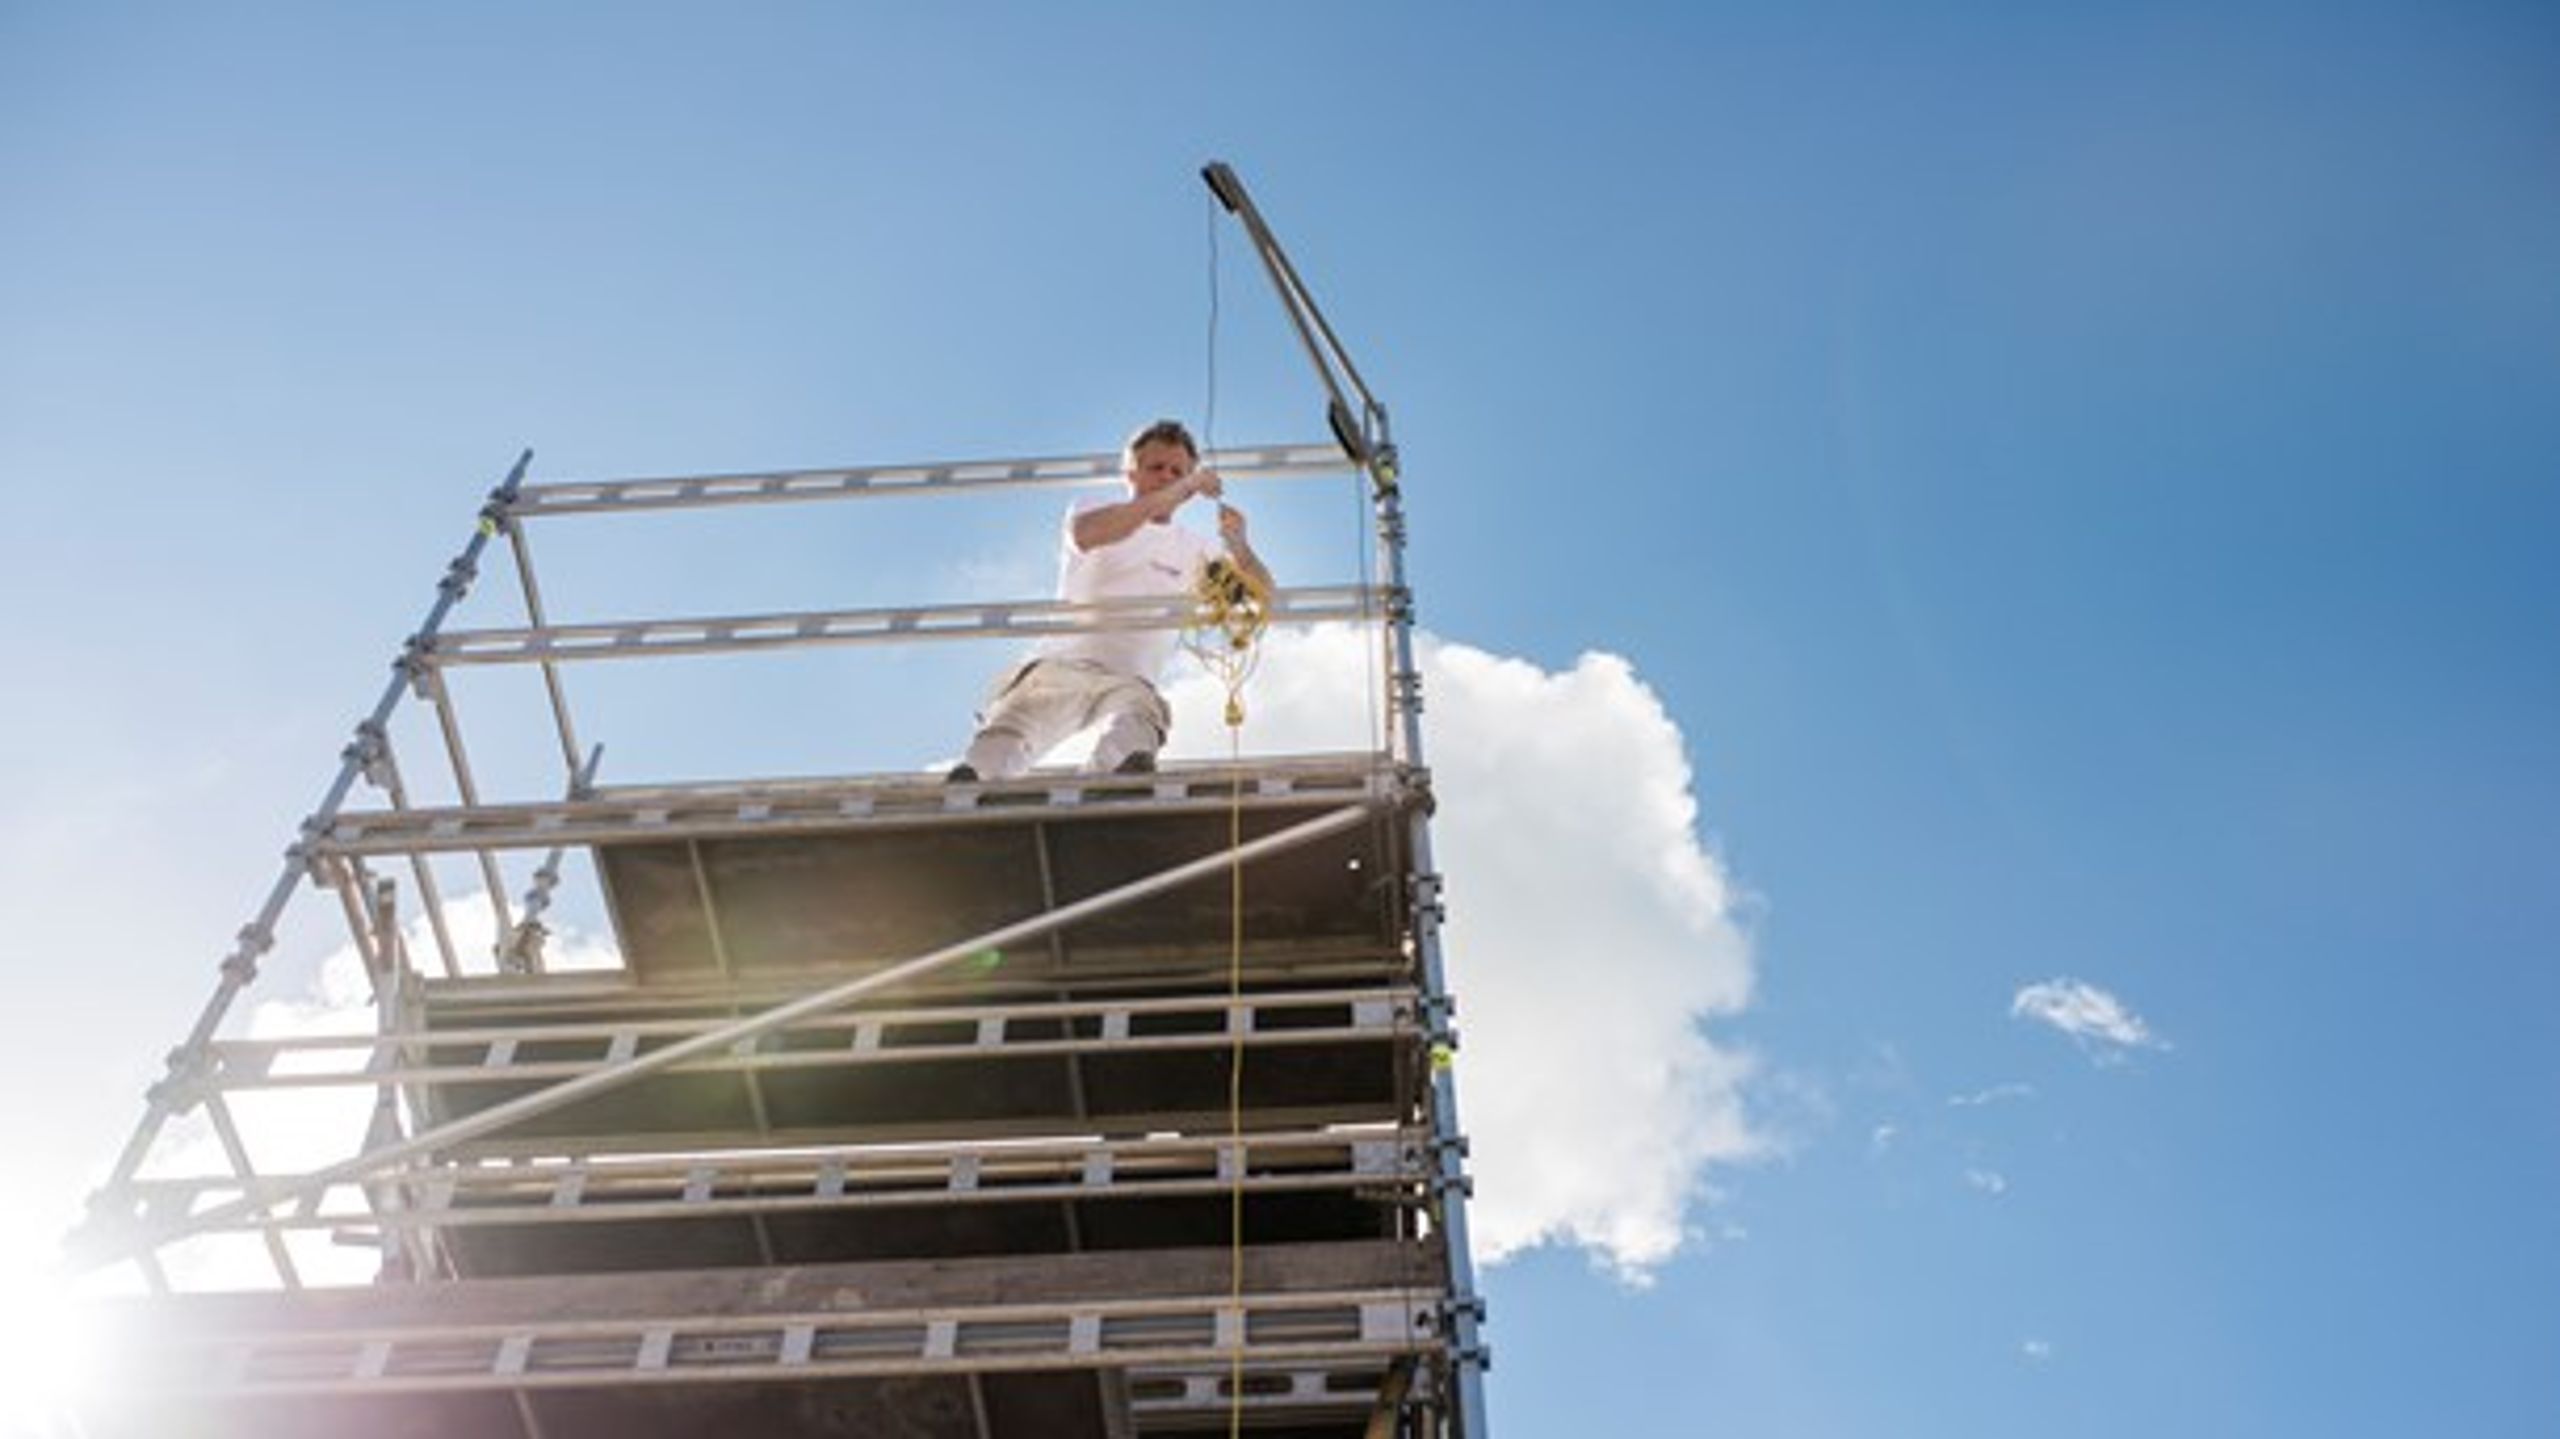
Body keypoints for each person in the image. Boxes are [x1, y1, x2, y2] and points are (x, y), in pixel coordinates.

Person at [947, 419, 1274, 782]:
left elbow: (1259, 598)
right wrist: (1184, 486)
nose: (1167, 477)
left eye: (1177, 471)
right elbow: (1090, 534)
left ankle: (1109, 782)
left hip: (1128, 681)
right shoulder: (1094, 509)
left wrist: (1240, 547)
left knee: (1136, 731)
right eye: (1156, 468)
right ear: (1130, 473)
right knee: (1002, 742)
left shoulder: (1195, 549)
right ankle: (978, 782)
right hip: (1061, 667)